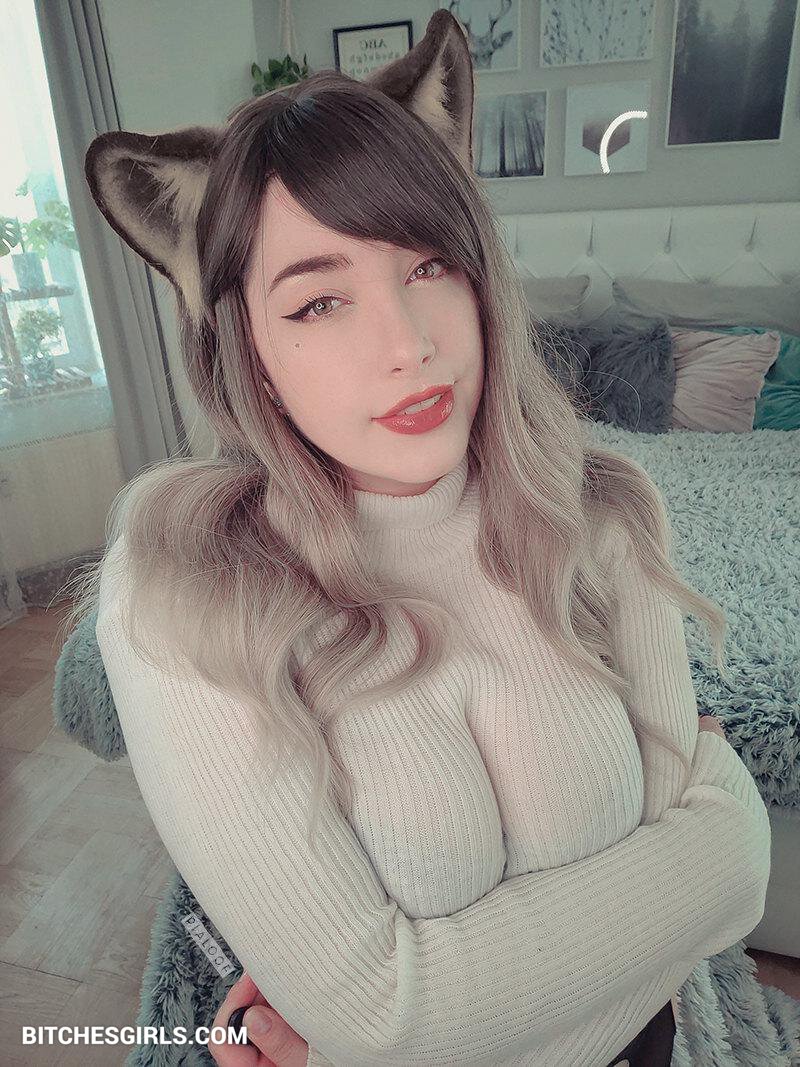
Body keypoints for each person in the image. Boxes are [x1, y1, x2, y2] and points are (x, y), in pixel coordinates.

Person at [70, 9, 771, 1066]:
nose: (405, 345)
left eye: (429, 266)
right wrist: (674, 886)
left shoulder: (603, 509)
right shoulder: (185, 589)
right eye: (318, 303)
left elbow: (740, 876)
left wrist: (402, 1032)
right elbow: (386, 1018)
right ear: (245, 348)